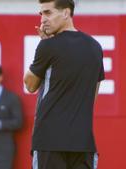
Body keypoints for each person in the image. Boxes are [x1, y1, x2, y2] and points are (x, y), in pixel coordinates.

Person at [24, 0, 105, 169]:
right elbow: (92, 96)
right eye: (41, 14)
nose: (43, 20)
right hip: (83, 141)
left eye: (48, 13)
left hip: (49, 140)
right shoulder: (95, 46)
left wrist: (43, 44)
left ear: (66, 13)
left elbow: (30, 85)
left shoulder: (48, 45)